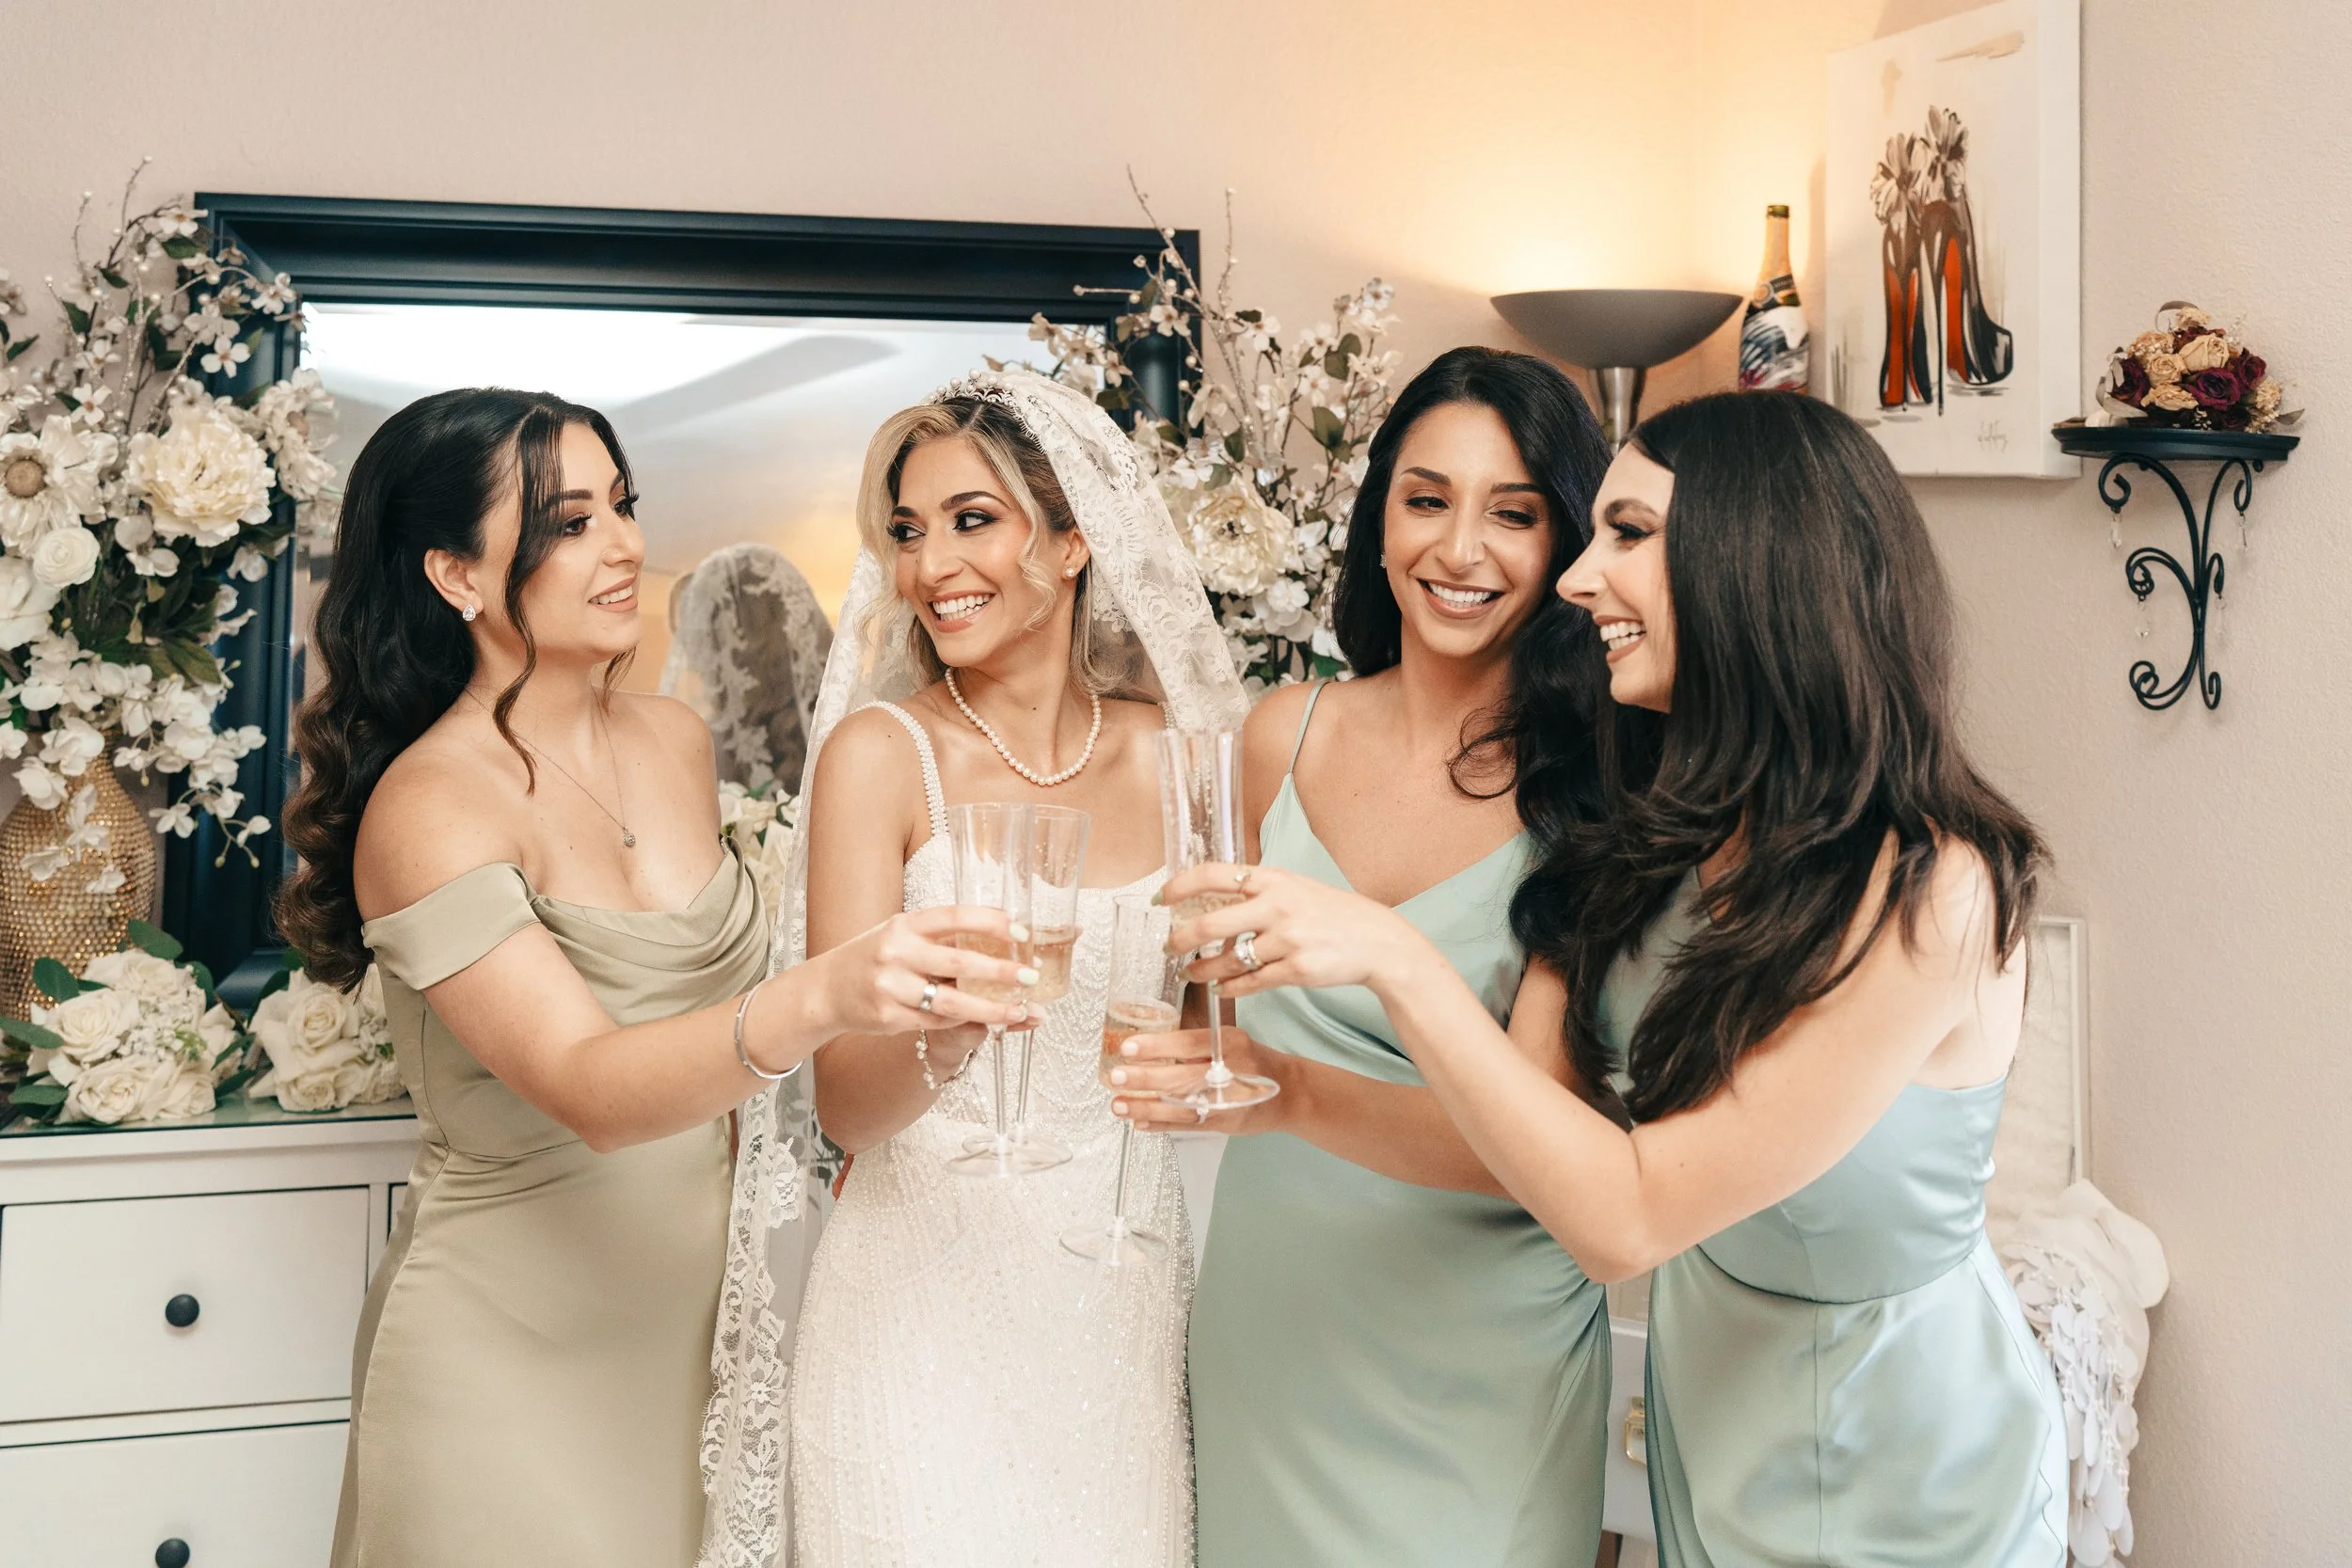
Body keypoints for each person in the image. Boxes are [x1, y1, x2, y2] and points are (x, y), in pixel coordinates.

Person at [1160, 389, 2070, 1566]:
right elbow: (1546, 1107)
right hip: (1712, 1432)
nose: (1579, 581)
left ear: (1756, 555)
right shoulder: (1670, 841)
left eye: (1626, 533)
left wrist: (1390, 953)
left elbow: (1625, 1215)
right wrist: (1271, 1075)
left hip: (1905, 1465)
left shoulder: (1935, 890)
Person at [277, 388, 1026, 1568]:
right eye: (568, 521)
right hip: (506, 1353)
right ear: (456, 575)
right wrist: (829, 991)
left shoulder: (676, 741)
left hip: (703, 1343)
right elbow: (587, 1082)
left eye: (622, 506)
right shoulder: (428, 805)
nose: (625, 543)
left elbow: (730, 1060)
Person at [697, 369, 1248, 1568]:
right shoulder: (880, 757)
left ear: (1070, 543)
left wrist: (1223, 995)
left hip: (1113, 1303)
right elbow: (845, 1103)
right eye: (906, 530)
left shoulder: (1175, 752)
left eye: (970, 519)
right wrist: (945, 1029)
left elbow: (1216, 1040)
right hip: (913, 1310)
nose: (928, 563)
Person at [1111, 347, 1619, 1567]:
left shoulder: (1592, 794)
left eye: (1515, 512)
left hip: (1479, 1364)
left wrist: (1291, 1094)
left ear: (1564, 546)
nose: (1460, 549)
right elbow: (1204, 1025)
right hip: (1275, 1324)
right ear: (1377, 516)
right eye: (1427, 497)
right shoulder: (1279, 733)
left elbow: (1534, 1147)